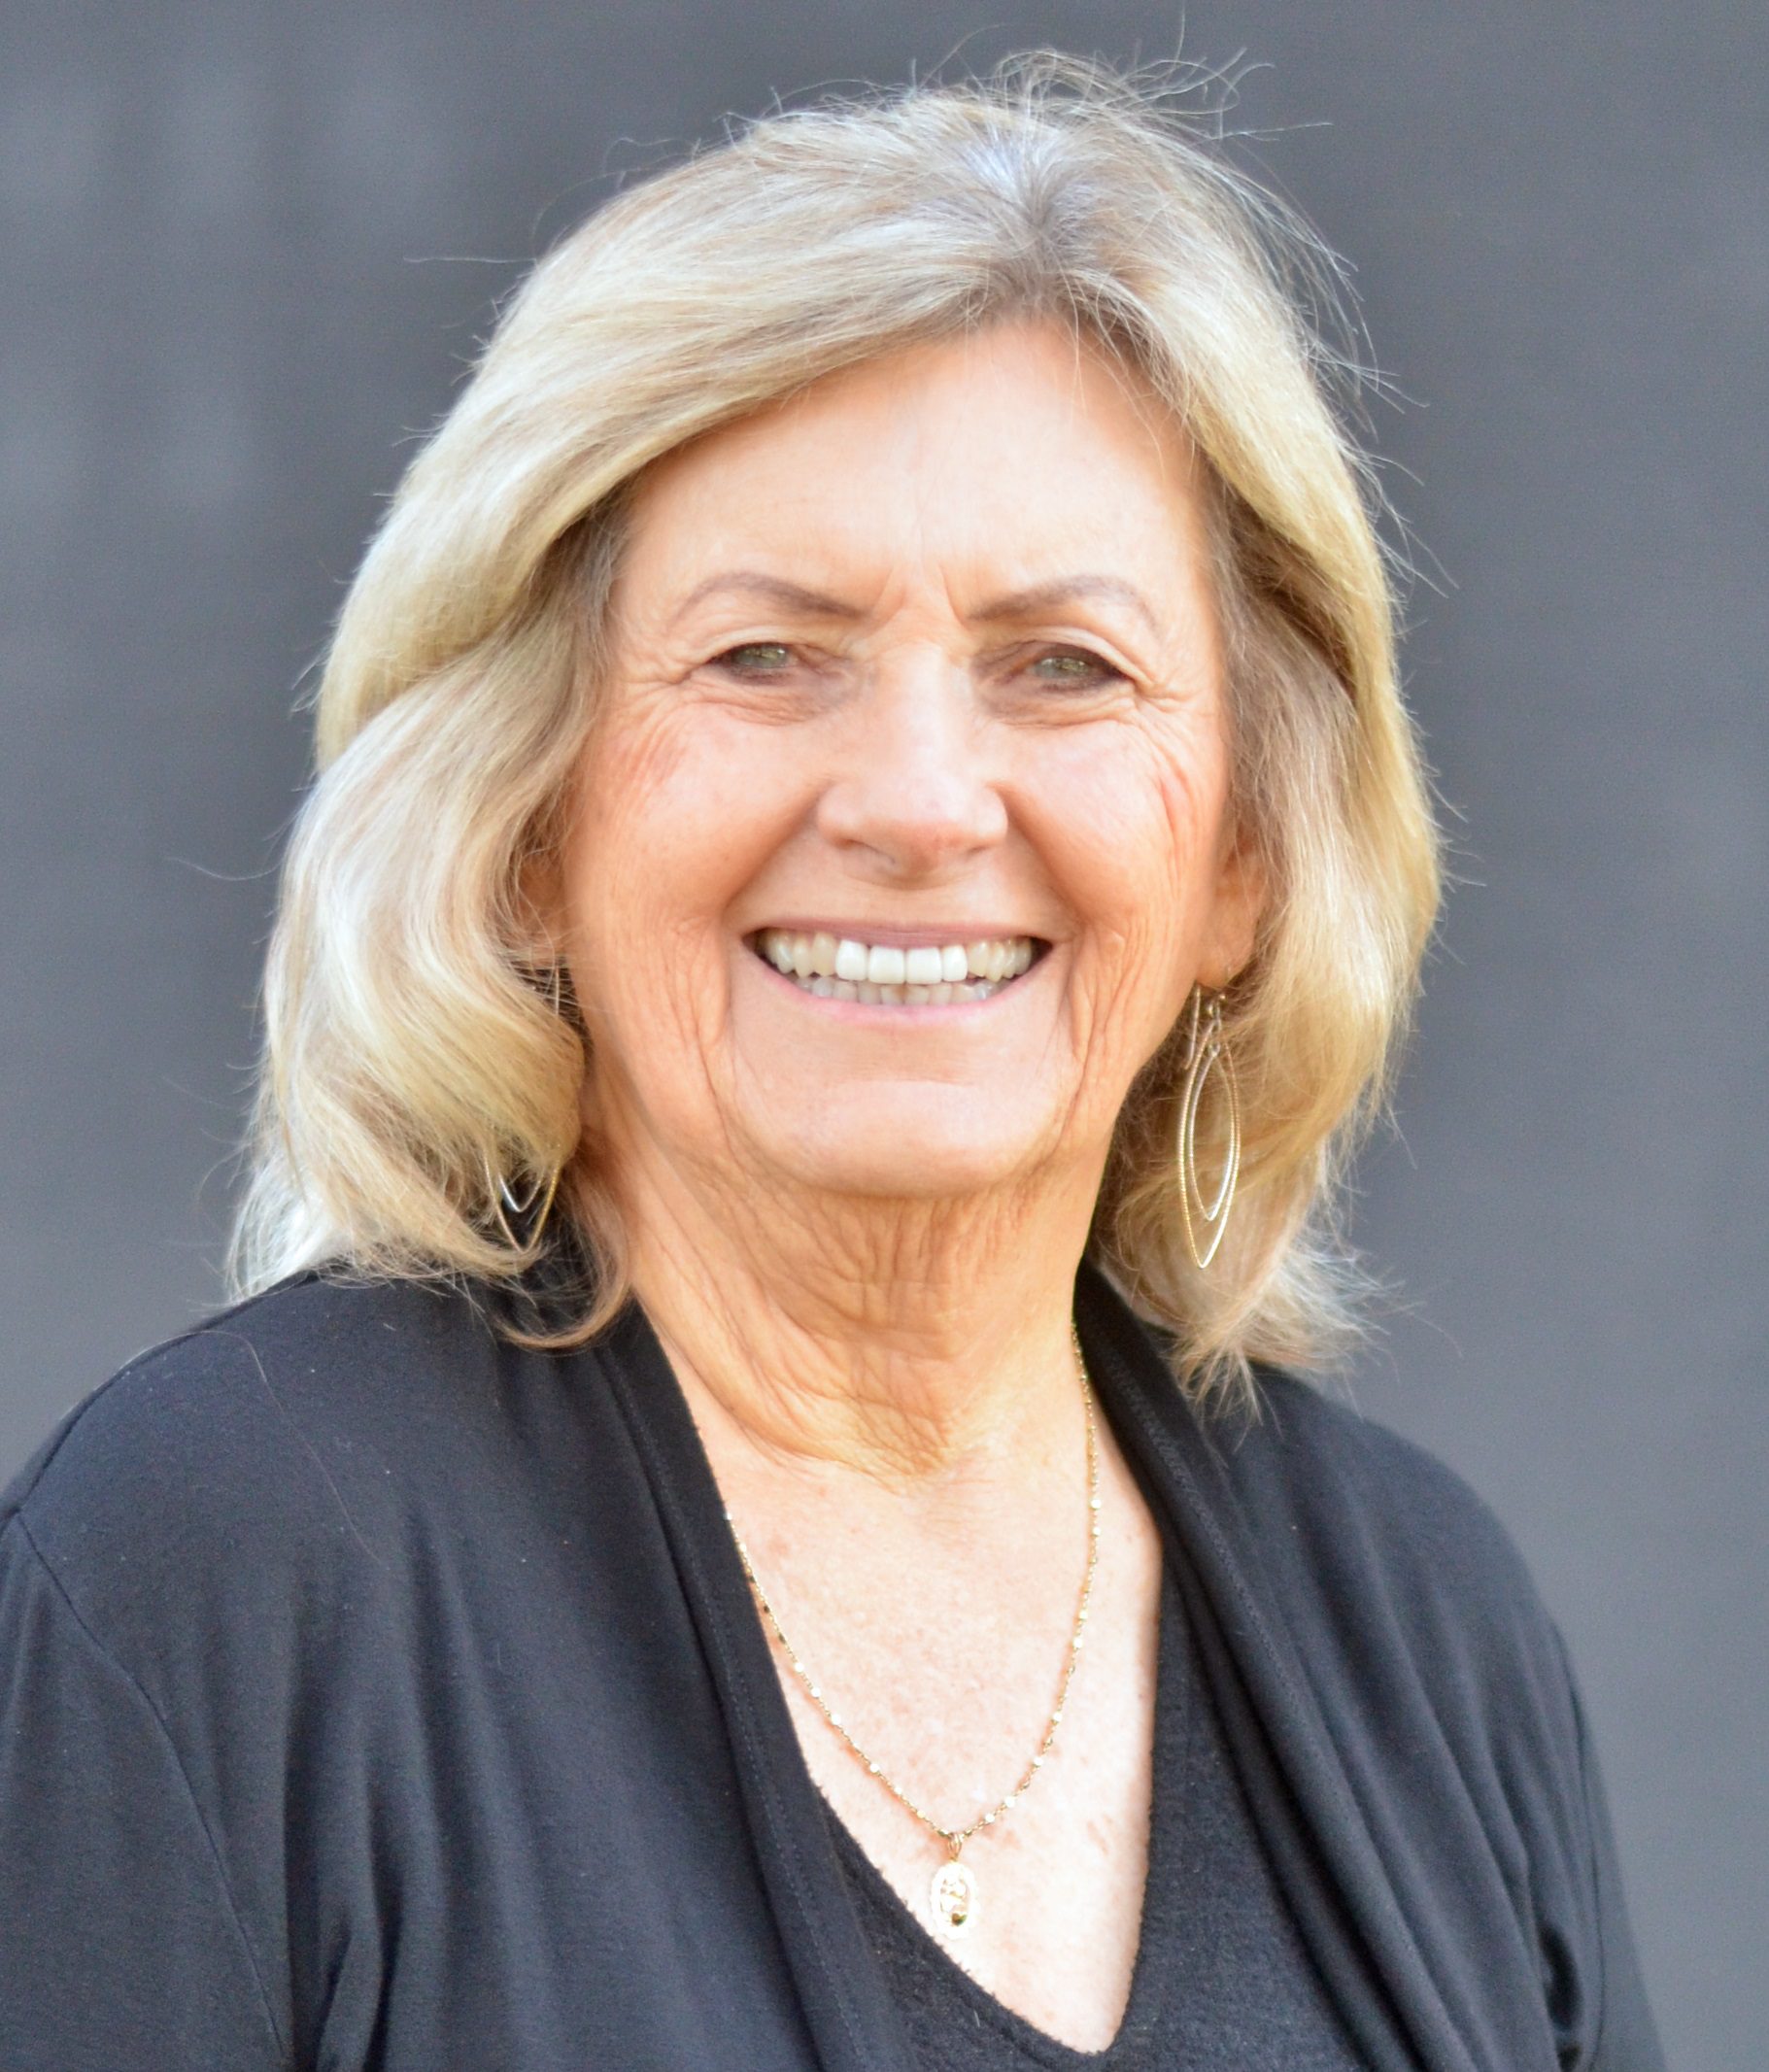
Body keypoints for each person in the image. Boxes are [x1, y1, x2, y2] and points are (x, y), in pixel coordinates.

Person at [0, 57, 1663, 2072]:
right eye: (766, 655)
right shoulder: (214, 1573)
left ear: (1241, 856)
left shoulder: (1427, 1634)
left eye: (1063, 665)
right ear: (524, 825)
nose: (917, 799)